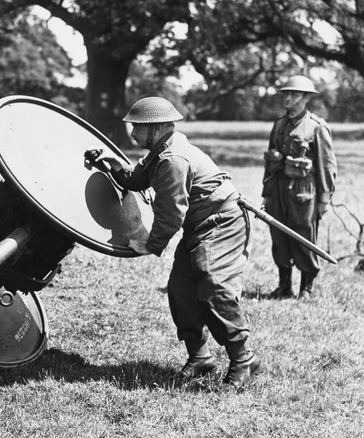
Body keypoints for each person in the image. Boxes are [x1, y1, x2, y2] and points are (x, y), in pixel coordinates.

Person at [85, 97, 262, 389]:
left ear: (155, 128)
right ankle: (201, 357)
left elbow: (170, 215)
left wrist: (150, 245)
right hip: (200, 224)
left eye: (138, 128)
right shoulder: (161, 150)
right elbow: (136, 179)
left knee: (212, 285)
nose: (132, 134)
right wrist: (112, 163)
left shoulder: (172, 159)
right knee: (181, 288)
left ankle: (244, 359)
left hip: (222, 221)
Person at [263, 75, 337, 299]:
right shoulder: (278, 125)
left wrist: (324, 199)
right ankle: (284, 286)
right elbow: (270, 162)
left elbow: (327, 166)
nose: (288, 98)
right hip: (277, 191)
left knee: (304, 238)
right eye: (286, 94)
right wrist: (266, 194)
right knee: (279, 237)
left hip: (303, 193)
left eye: (293, 94)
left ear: (305, 98)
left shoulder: (316, 127)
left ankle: (307, 287)